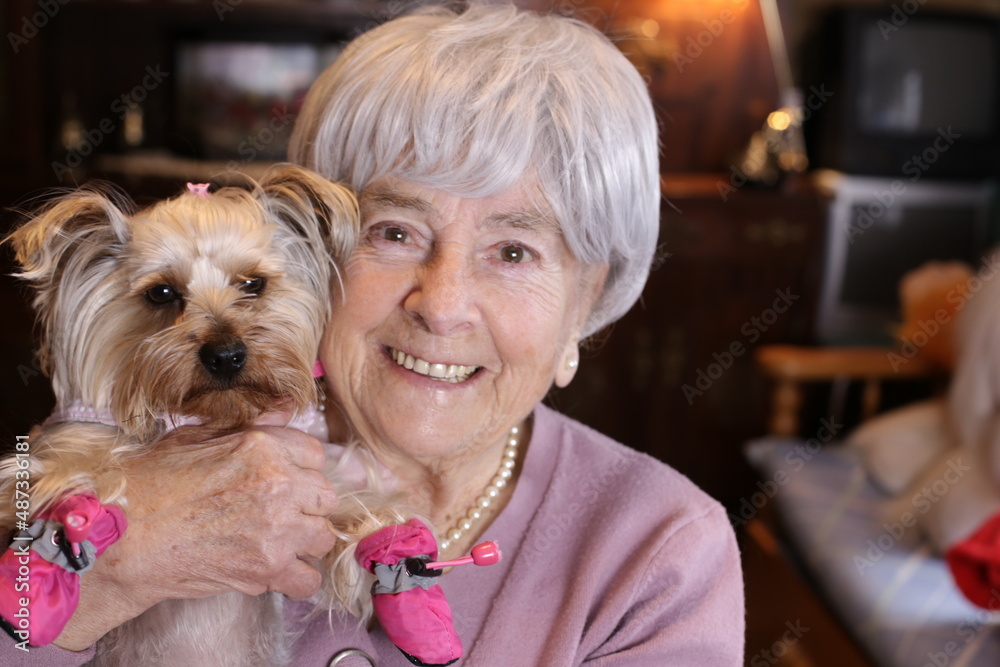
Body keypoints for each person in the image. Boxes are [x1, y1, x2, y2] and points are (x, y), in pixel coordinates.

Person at [5, 3, 744, 665]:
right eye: (395, 231)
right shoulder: (127, 451)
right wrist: (116, 573)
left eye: (514, 251)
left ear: (585, 299)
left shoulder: (660, 552)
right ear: (314, 252)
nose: (442, 304)